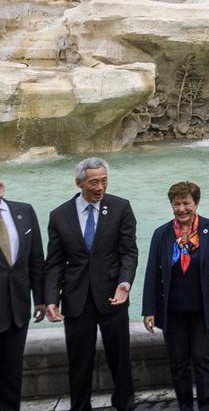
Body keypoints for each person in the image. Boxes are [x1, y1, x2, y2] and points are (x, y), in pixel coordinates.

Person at [44, 158, 138, 411]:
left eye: (104, 181)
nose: (100, 187)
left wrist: (125, 282)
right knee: (79, 361)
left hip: (112, 296)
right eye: (94, 182)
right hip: (76, 299)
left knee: (120, 359)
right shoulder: (59, 215)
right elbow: (54, 263)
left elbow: (128, 252)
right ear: (79, 182)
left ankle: (125, 405)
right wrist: (51, 299)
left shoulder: (120, 208)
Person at [142, 182, 209, 411]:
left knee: (203, 360)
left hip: (203, 309)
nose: (181, 209)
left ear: (196, 203)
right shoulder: (162, 234)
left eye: (186, 203)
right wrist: (149, 310)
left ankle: (206, 407)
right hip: (172, 312)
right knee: (179, 363)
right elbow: (152, 273)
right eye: (176, 204)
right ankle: (185, 407)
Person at [0, 169, 44, 411]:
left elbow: (36, 258)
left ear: (1, 187)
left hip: (18, 308)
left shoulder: (24, 211)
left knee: (13, 373)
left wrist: (40, 299)